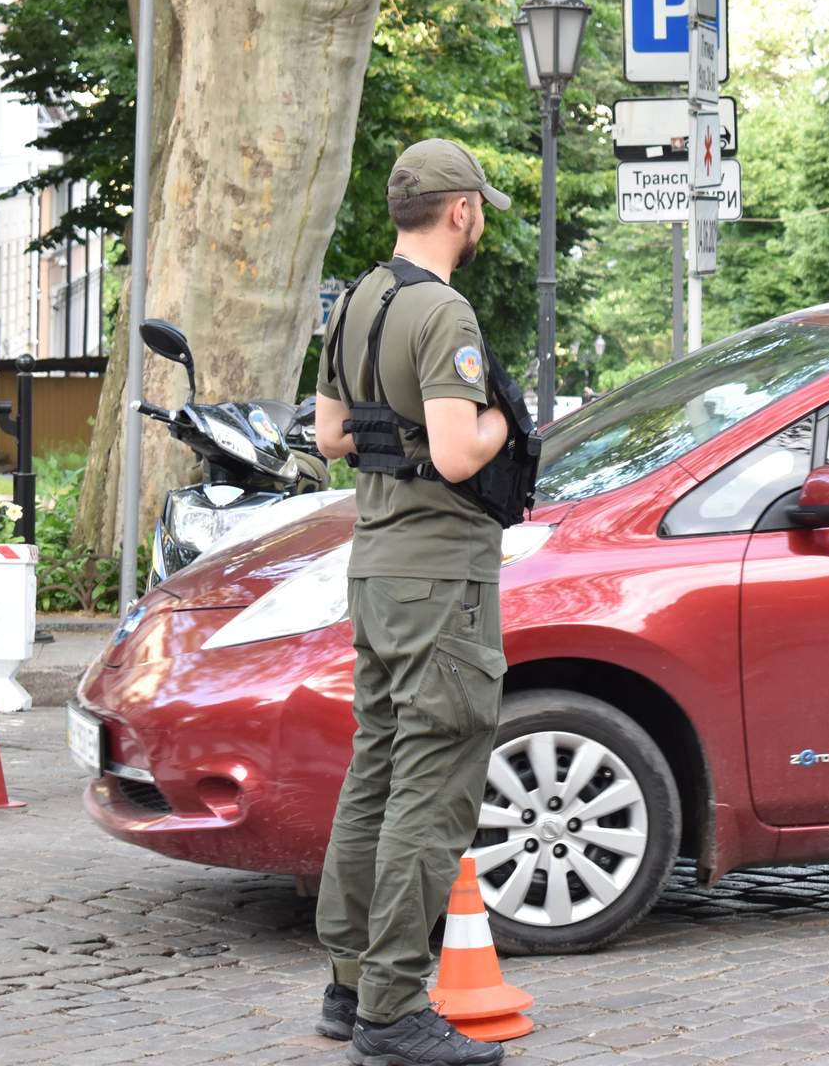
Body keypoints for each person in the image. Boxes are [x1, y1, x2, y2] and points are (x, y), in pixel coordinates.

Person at [311, 138, 515, 1066]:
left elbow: (330, 439)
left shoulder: (355, 300)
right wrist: (509, 415)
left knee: (378, 772)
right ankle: (393, 1010)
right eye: (479, 210)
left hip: (378, 565)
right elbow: (458, 449)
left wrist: (389, 430)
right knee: (432, 791)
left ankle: (348, 985)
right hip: (442, 577)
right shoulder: (445, 312)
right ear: (461, 210)